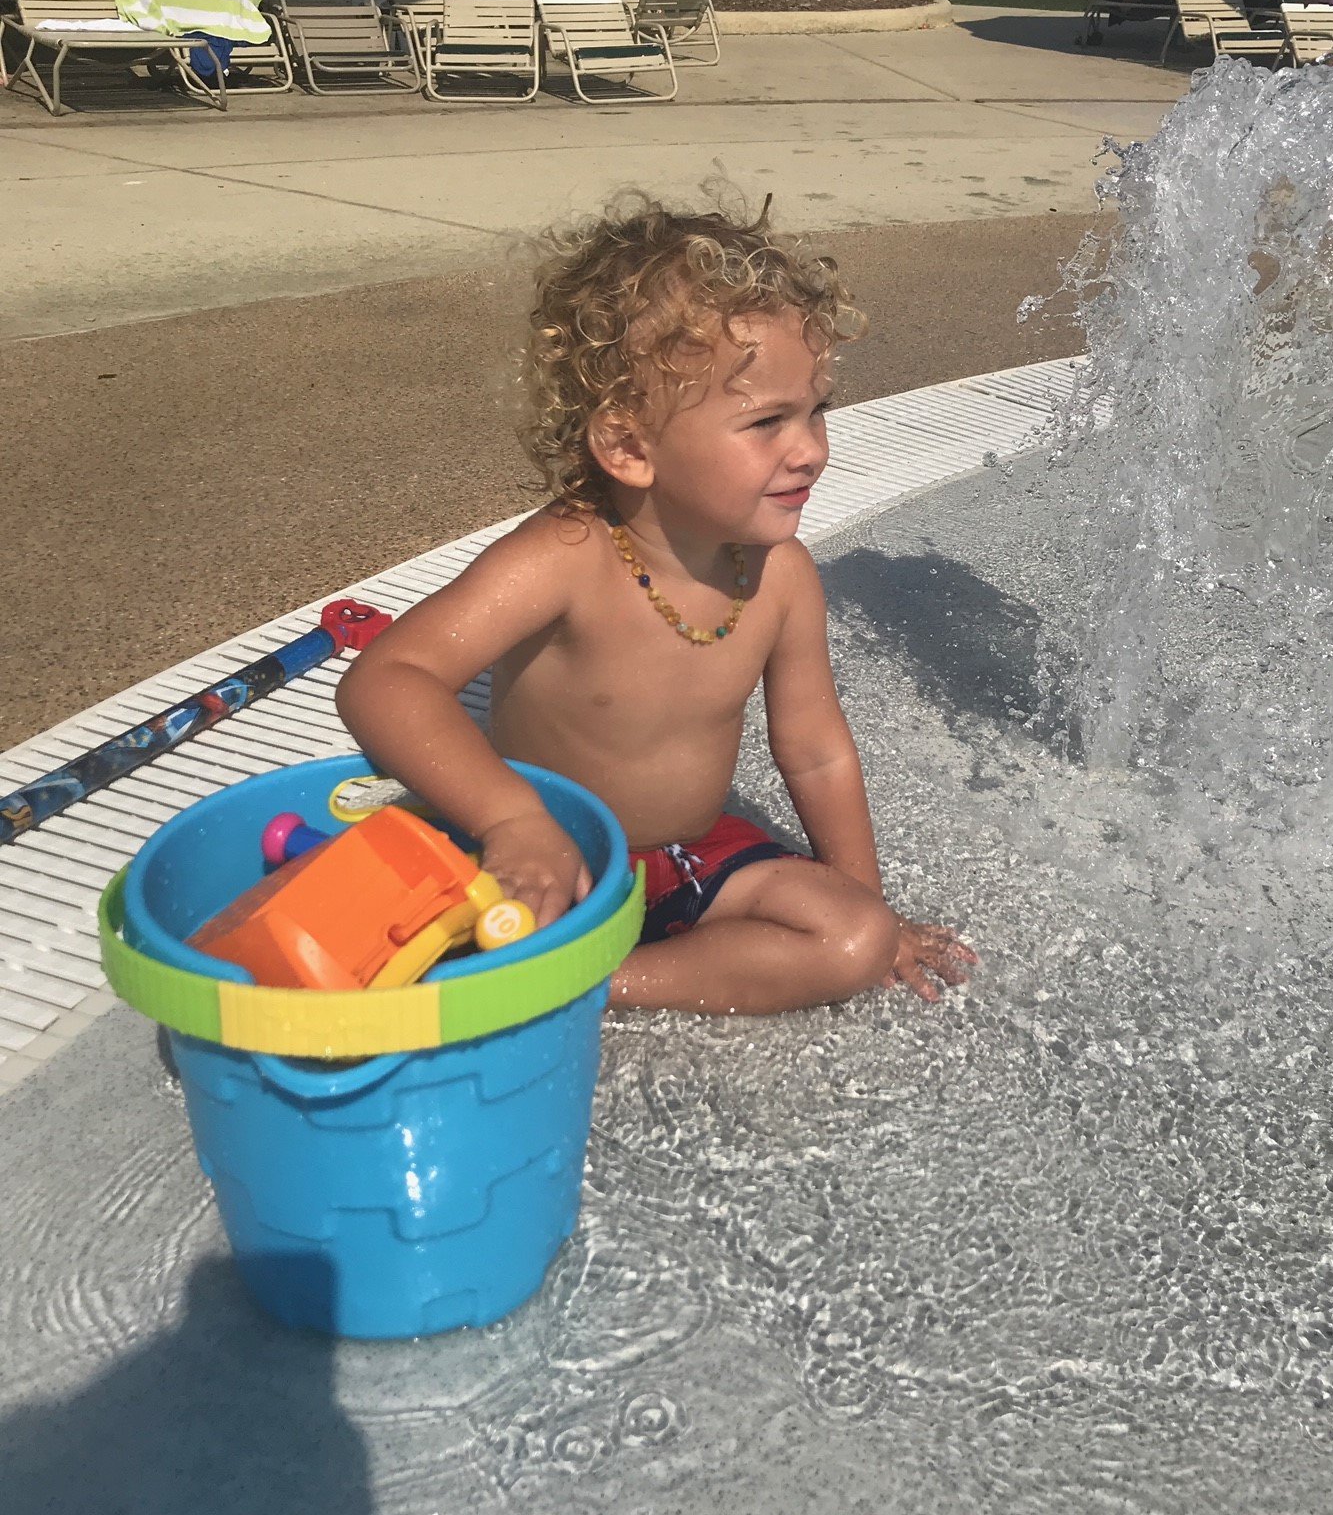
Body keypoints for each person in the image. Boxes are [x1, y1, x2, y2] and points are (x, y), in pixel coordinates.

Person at [336, 201, 978, 1016]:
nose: (811, 447)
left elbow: (816, 753)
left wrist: (870, 911)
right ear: (630, 447)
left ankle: (599, 982)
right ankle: (561, 956)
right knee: (411, 938)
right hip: (554, 854)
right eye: (767, 421)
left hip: (693, 857)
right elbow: (387, 680)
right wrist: (511, 819)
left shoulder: (780, 578)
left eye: (817, 411)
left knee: (848, 939)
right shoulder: (565, 559)